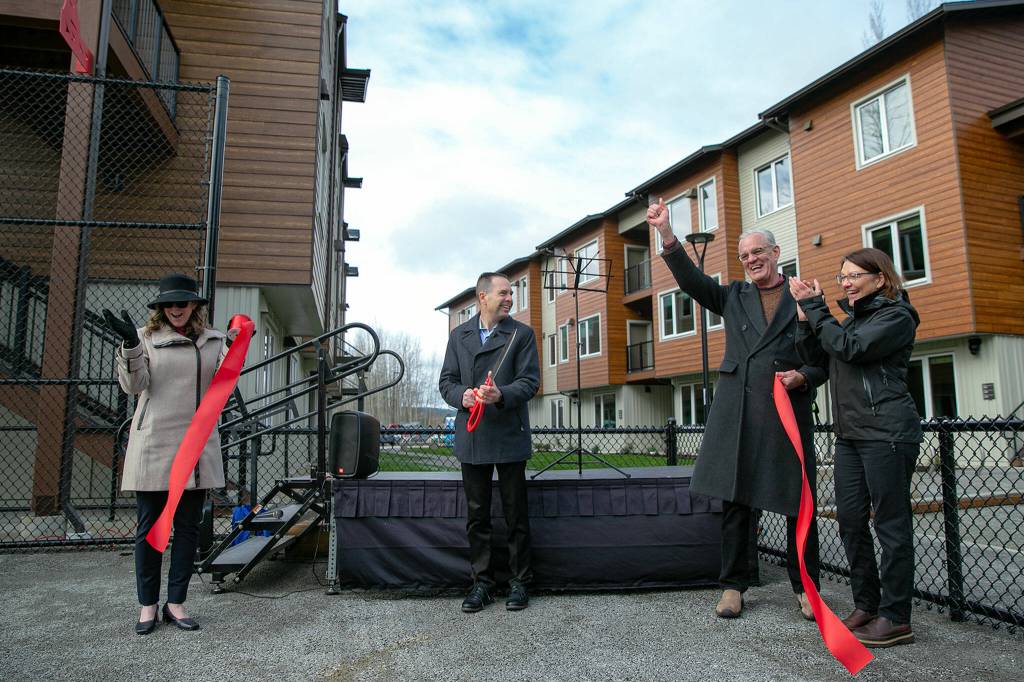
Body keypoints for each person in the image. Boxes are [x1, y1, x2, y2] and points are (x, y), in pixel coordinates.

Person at [647, 199, 826, 620]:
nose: (751, 260)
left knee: (800, 504)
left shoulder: (803, 294)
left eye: (758, 252)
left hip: (786, 417)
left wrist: (804, 377)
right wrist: (667, 235)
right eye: (745, 256)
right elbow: (691, 281)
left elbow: (823, 360)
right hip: (740, 412)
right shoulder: (733, 295)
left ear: (776, 253)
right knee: (736, 504)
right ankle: (733, 586)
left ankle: (806, 588)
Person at [789, 248, 921, 648]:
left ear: (880, 278)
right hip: (850, 437)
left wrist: (817, 308)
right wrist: (805, 321)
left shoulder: (895, 317)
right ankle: (867, 604)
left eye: (853, 276)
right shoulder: (851, 322)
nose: (844, 282)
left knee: (891, 526)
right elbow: (823, 356)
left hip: (888, 434)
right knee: (849, 521)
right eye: (841, 276)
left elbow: (851, 349)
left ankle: (896, 617)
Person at [104, 273, 237, 635]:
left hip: (196, 447)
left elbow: (224, 383)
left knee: (188, 529)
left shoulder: (213, 341)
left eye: (183, 302)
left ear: (194, 305)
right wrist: (130, 344)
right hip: (155, 444)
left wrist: (237, 346)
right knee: (149, 529)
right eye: (170, 303)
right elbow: (134, 386)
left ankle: (176, 603)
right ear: (161, 308)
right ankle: (147, 605)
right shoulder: (147, 339)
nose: (177, 309)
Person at [438, 272, 540, 613]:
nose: (510, 298)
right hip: (473, 436)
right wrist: (462, 396)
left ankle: (520, 582)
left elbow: (530, 382)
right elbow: (446, 382)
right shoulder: (459, 336)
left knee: (516, 515)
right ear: (483, 297)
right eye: (504, 292)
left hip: (509, 434)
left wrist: (502, 394)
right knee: (477, 515)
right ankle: (482, 583)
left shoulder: (522, 335)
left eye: (511, 293)